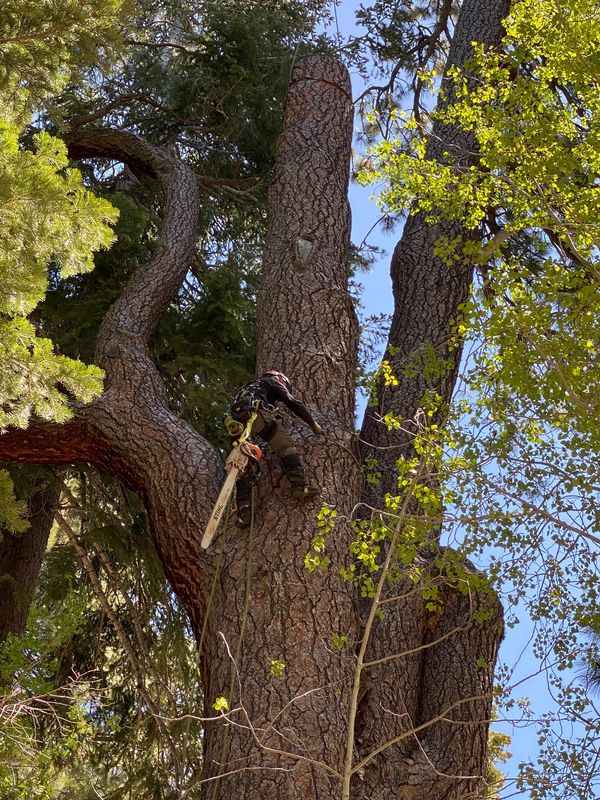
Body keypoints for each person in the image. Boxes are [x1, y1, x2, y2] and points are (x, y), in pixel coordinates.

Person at [224, 370, 322, 525]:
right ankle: (299, 485)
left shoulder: (245, 389)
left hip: (235, 424)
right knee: (285, 446)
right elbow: (292, 402)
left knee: (243, 464)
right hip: (257, 416)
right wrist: (313, 424)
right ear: (280, 379)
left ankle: (244, 510)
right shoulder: (271, 381)